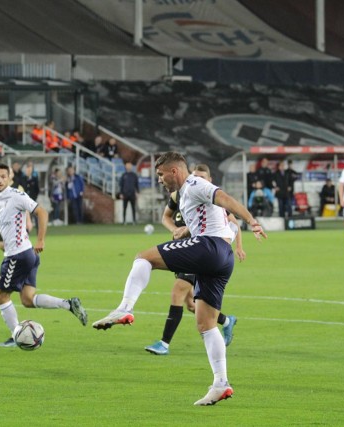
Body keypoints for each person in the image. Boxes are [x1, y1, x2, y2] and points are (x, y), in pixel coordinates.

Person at [92, 152, 266, 406]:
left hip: (209, 248)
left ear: (174, 171)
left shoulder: (195, 183)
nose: (160, 180)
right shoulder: (184, 195)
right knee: (206, 324)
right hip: (222, 258)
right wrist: (186, 229)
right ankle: (220, 383)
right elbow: (213, 218)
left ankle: (124, 309)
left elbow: (225, 199)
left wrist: (252, 221)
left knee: (144, 258)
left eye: (161, 174)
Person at [144, 164, 244, 356]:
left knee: (177, 293)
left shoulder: (210, 198)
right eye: (195, 176)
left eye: (202, 177)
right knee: (191, 304)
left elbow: (233, 221)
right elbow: (165, 217)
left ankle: (164, 343)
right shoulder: (179, 194)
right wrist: (174, 229)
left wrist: (238, 246)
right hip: (185, 249)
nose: (197, 180)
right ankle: (226, 321)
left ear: (209, 180)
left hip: (201, 252)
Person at [0, 163, 88, 347]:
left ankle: (16, 336)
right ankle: (68, 304)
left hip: (18, 255)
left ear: (9, 178)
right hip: (27, 255)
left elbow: (42, 212)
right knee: (27, 300)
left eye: (3, 176)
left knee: (0, 296)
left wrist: (41, 240)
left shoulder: (16, 195)